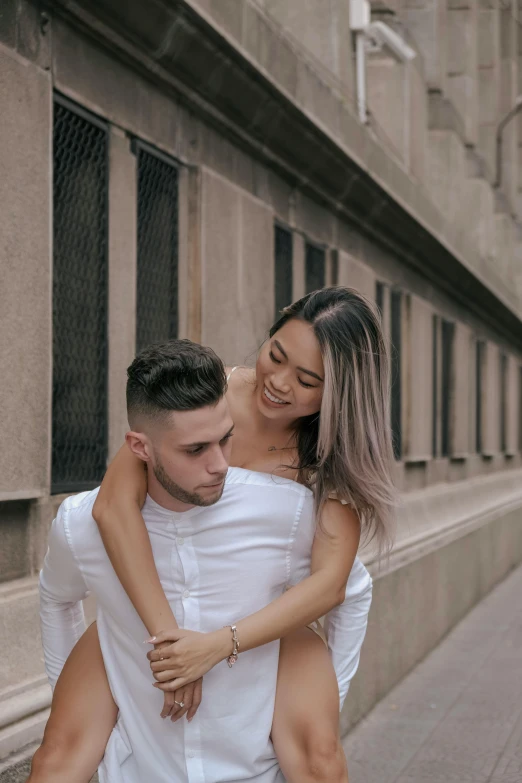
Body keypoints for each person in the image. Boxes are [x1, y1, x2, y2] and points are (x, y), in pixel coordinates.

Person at [30, 287, 395, 783]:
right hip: (151, 597)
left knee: (319, 757)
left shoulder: (331, 458)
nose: (279, 384)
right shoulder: (205, 395)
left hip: (254, 613)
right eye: (276, 355)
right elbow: (114, 507)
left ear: (339, 394)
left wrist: (221, 645)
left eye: (307, 380)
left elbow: (334, 585)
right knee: (57, 757)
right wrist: (170, 648)